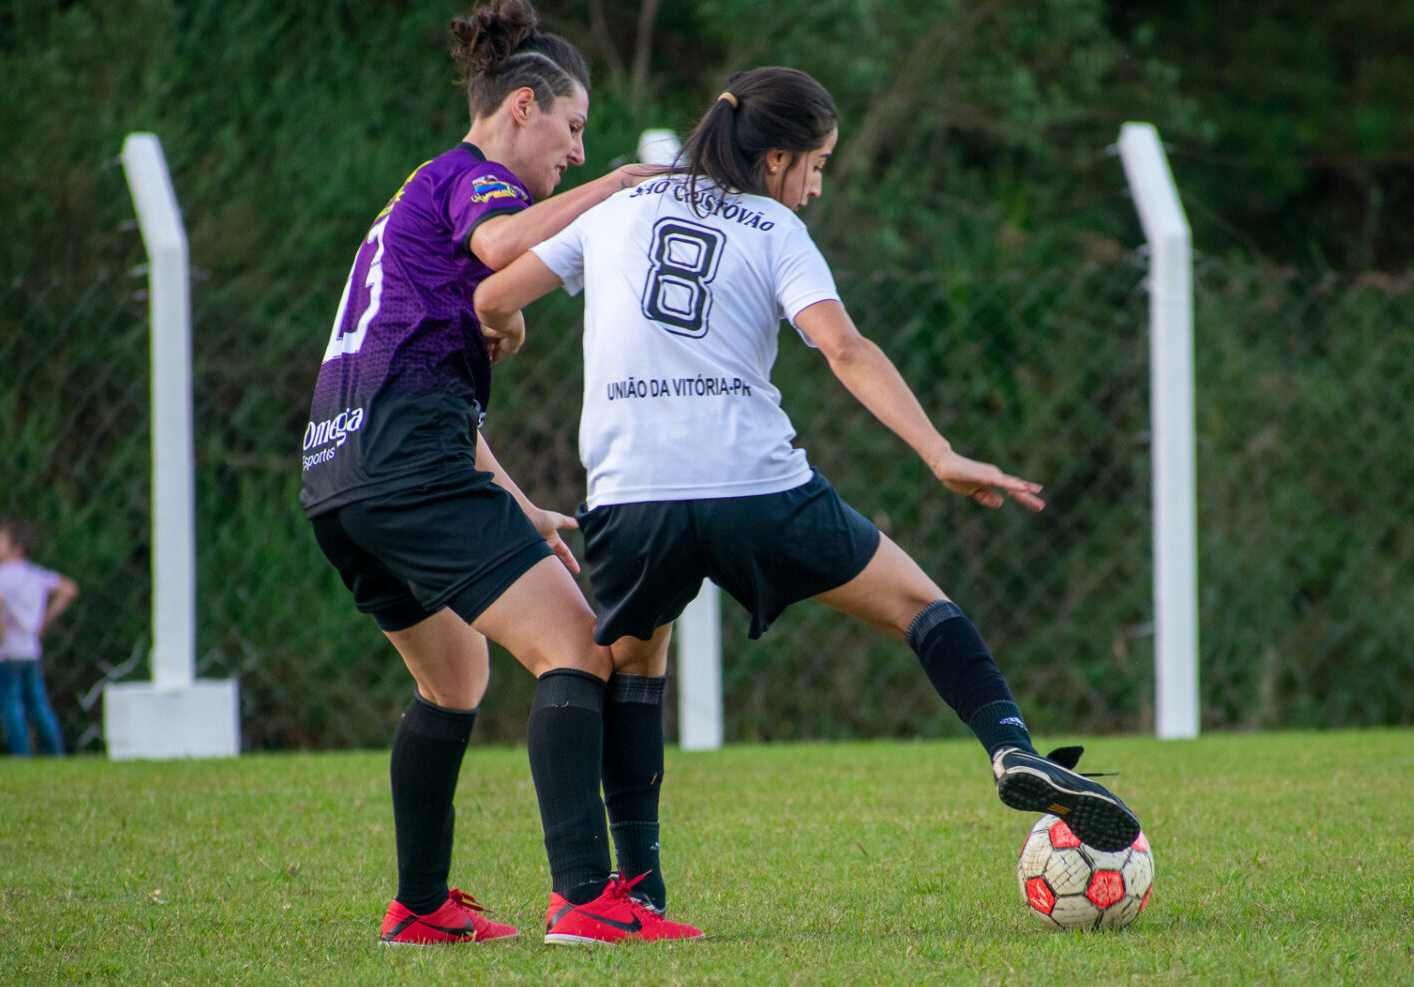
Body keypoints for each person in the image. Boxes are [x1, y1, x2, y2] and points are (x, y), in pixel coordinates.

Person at [473, 66, 1143, 920]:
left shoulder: (612, 209)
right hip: (754, 485)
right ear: (777, 157)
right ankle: (1011, 747)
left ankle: (636, 892)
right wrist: (938, 452)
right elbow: (845, 348)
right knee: (919, 604)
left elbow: (491, 295)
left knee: (635, 664)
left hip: (630, 497)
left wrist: (507, 327)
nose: (818, 186)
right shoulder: (772, 226)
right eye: (818, 165)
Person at [301, 0, 700, 946]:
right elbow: (505, 247)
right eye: (572, 129)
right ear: (522, 106)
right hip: (405, 462)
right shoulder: (474, 179)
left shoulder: (412, 195)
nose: (573, 152)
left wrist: (519, 505)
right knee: (579, 645)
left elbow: (423, 379)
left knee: (454, 679)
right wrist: (613, 187)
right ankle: (584, 899)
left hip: (337, 474)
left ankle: (421, 905)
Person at [0, 519, 77, 757]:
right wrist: (43, 622)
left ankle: (21, 755)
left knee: (11, 706)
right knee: (38, 706)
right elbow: (69, 589)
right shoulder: (35, 574)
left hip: (3, 653)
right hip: (29, 650)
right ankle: (55, 752)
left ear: (16, 548)